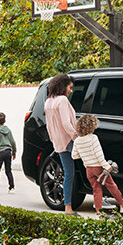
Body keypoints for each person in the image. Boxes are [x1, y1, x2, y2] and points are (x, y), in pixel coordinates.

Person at [71, 114, 123, 217]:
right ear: (91, 126)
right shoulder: (93, 138)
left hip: (89, 170)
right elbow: (99, 154)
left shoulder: (77, 140)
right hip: (99, 168)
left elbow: (74, 156)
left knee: (96, 189)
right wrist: (106, 166)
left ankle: (99, 212)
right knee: (111, 185)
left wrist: (85, 155)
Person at [43, 73, 80, 216]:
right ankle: (68, 208)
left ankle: (69, 207)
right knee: (72, 173)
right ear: (63, 86)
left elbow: (49, 126)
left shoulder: (48, 101)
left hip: (59, 143)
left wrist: (54, 140)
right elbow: (66, 123)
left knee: (68, 173)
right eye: (70, 87)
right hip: (69, 141)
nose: (71, 91)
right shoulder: (62, 100)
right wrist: (76, 137)